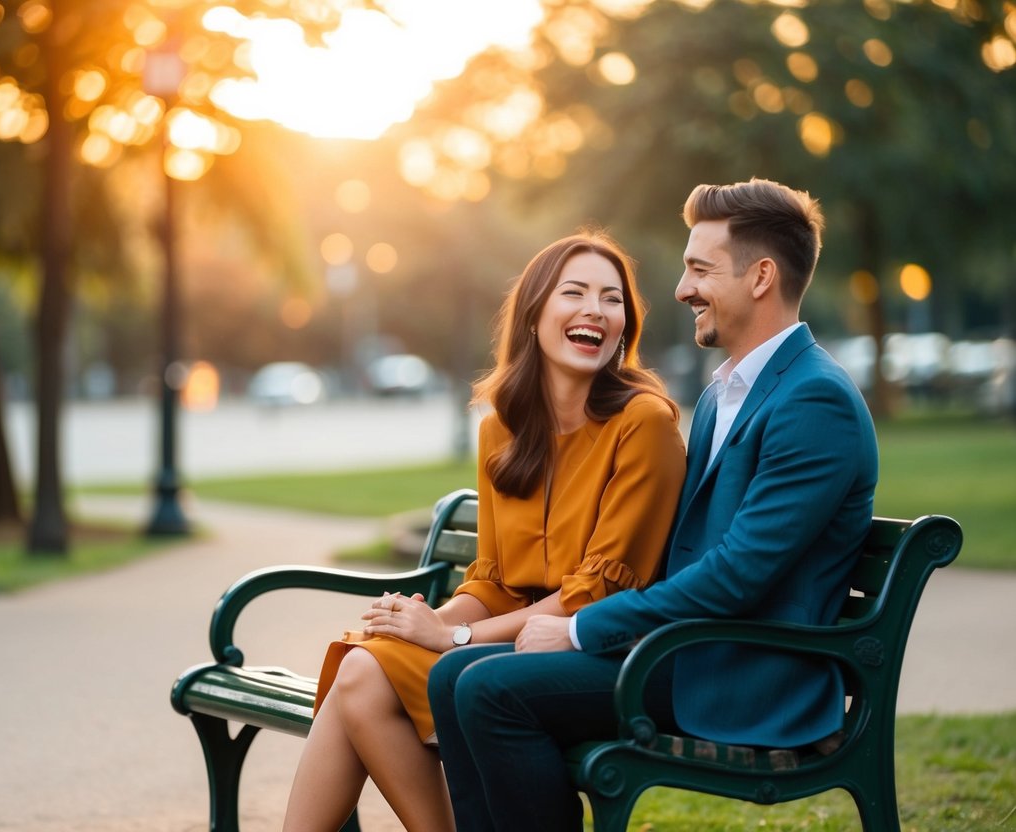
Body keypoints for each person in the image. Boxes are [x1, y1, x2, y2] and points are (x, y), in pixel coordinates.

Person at [427, 178, 880, 831]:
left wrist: (581, 627)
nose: (681, 289)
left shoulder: (814, 400)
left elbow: (735, 575)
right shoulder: (729, 391)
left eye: (698, 269)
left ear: (759, 277)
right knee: (452, 678)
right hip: (686, 651)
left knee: (488, 688)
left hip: (743, 673)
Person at [281, 232, 687, 832]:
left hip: (590, 650)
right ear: (534, 314)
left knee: (375, 675)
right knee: (363, 663)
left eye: (612, 299)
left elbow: (598, 593)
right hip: (503, 642)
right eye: (574, 293)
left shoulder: (643, 422)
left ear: (625, 325)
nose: (595, 311)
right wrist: (426, 624)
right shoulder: (502, 428)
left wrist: (456, 638)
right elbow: (493, 579)